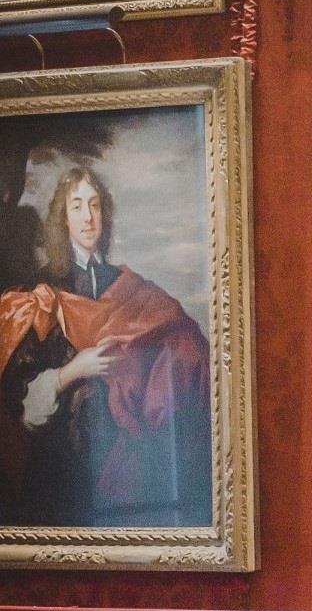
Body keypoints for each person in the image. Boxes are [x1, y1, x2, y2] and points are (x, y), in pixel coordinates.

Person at [0, 166, 214, 527]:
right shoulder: (41, 293)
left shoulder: (130, 287)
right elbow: (23, 409)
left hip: (129, 468)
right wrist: (74, 370)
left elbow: (174, 335)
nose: (88, 217)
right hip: (59, 473)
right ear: (63, 219)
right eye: (77, 206)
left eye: (95, 206)